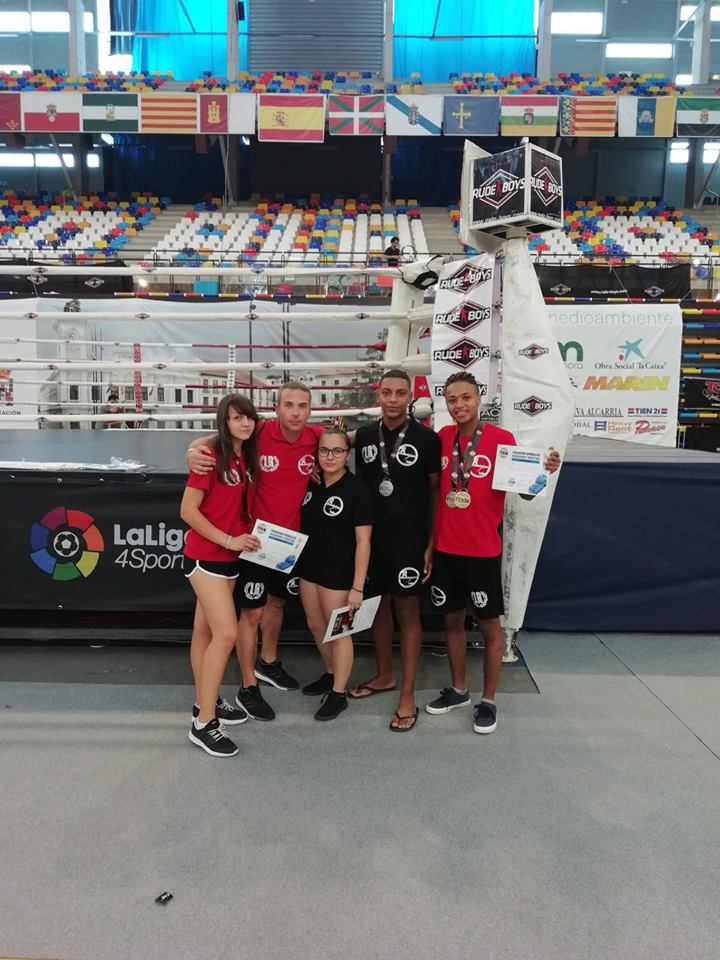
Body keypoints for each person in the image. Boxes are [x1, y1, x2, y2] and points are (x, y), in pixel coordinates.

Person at [426, 371, 561, 735]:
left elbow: (527, 493)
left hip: (482, 551)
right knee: (451, 622)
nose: (459, 405)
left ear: (479, 399)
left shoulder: (501, 440)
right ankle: (459, 690)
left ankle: (488, 700)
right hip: (446, 549)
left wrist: (544, 471)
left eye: (466, 398)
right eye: (452, 399)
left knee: (489, 627)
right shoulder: (443, 438)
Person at [187, 381, 322, 720]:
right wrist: (191, 451)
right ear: (276, 409)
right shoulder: (257, 432)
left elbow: (347, 438)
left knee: (275, 604)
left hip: (288, 542)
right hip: (253, 542)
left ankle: (267, 663)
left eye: (302, 406)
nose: (295, 412)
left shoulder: (315, 437)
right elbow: (209, 442)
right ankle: (247, 686)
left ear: (310, 409)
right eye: (288, 405)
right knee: (249, 616)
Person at [348, 369, 441, 732]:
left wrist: (430, 543)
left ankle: (407, 693)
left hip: (409, 539)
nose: (393, 399)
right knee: (377, 609)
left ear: (410, 397)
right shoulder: (365, 435)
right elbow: (326, 448)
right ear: (378, 395)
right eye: (387, 392)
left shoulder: (426, 439)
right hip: (372, 538)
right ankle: (385, 674)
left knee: (408, 613)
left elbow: (435, 493)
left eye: (400, 393)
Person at [180, 394, 263, 758]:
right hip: (206, 558)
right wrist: (229, 539)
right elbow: (187, 511)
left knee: (205, 632)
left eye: (248, 417)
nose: (244, 423)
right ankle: (203, 725)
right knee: (227, 633)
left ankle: (205, 702)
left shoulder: (245, 456)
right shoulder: (210, 456)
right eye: (236, 418)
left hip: (231, 558)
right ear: (224, 422)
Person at [299, 427, 373, 721]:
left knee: (339, 632)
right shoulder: (311, 484)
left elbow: (363, 542)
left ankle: (339, 694)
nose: (330, 456)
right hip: (310, 568)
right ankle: (330, 674)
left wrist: (357, 587)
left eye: (337, 451)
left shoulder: (357, 491)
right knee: (316, 625)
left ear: (348, 455)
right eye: (324, 450)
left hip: (340, 574)